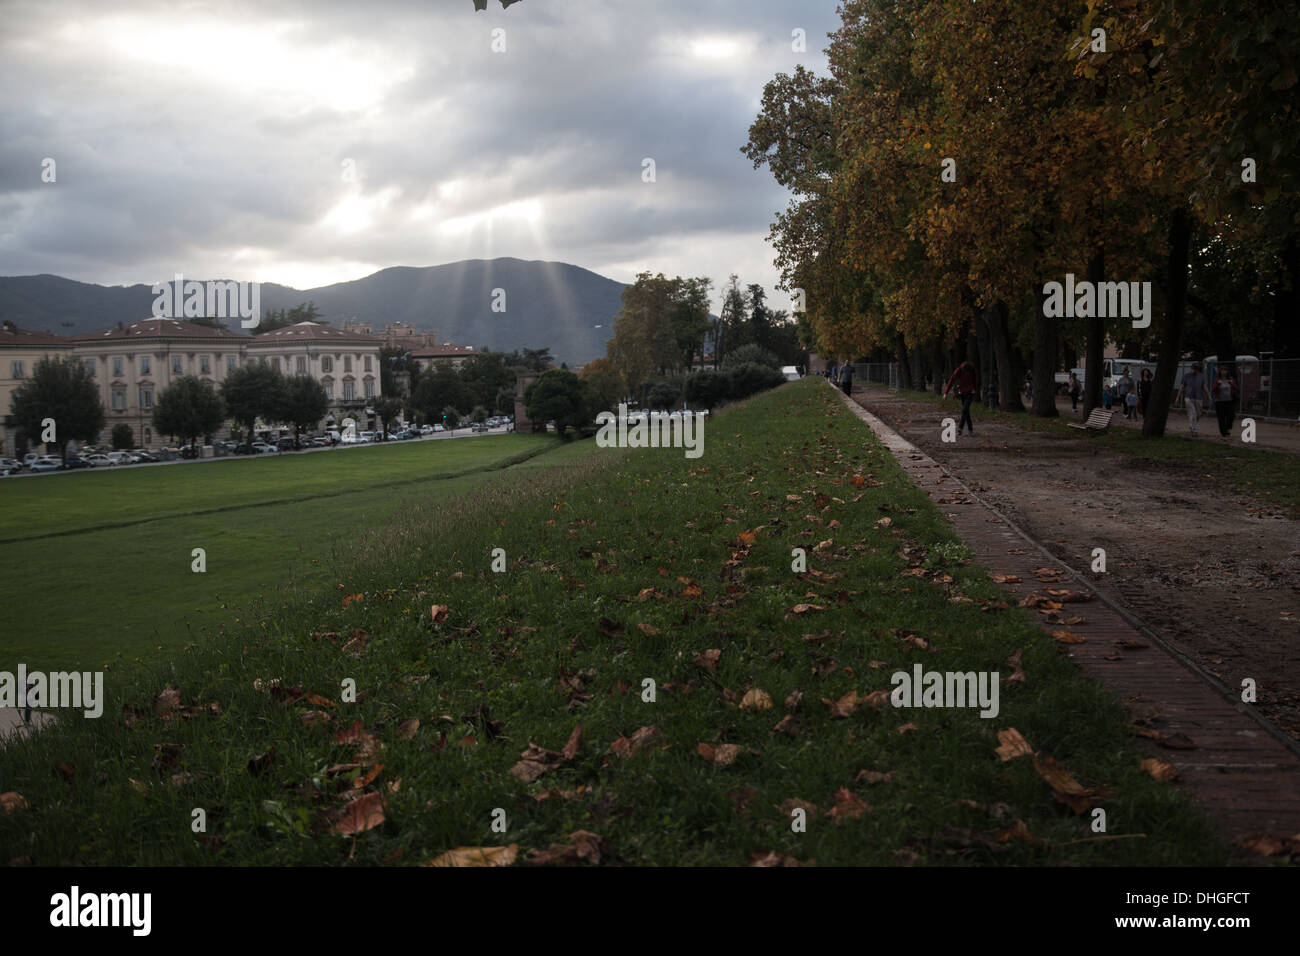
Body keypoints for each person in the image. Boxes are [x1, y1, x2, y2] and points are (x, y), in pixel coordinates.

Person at [944, 360, 980, 436]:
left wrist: (975, 390)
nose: (966, 373)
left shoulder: (972, 370)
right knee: (966, 412)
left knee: (964, 410)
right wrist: (946, 393)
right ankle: (970, 430)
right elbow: (952, 380)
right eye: (965, 372)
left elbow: (976, 381)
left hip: (970, 392)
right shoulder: (959, 370)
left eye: (968, 372)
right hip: (962, 392)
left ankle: (960, 428)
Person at [1177, 362, 1211, 436]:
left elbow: (1204, 387)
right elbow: (1182, 387)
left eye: (1196, 369)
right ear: (1191, 368)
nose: (1194, 370)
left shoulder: (1201, 376)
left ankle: (1191, 425)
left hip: (1199, 398)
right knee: (1193, 413)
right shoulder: (1186, 376)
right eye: (1193, 368)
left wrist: (1209, 396)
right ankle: (1195, 431)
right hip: (1188, 397)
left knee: (1198, 414)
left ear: (1198, 369)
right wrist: (1178, 397)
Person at [1211, 366, 1239, 438]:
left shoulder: (1230, 380)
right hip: (1220, 401)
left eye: (1225, 370)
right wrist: (1218, 384)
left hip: (1229, 401)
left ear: (1227, 372)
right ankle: (1223, 432)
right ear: (1220, 372)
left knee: (1230, 416)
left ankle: (1228, 428)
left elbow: (1236, 388)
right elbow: (1213, 389)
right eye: (1222, 371)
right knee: (1221, 417)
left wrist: (1232, 383)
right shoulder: (1217, 380)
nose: (1224, 372)